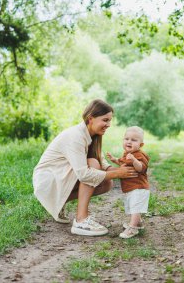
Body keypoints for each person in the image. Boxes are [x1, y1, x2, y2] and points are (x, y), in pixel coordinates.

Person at [33, 99, 138, 237]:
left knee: (107, 183)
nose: (108, 124)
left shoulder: (92, 136)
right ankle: (81, 220)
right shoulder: (75, 136)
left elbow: (104, 166)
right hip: (48, 182)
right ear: (91, 118)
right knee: (93, 165)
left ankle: (59, 204)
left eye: (110, 120)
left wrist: (127, 170)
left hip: (61, 178)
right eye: (105, 120)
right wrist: (118, 173)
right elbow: (84, 174)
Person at [107, 126, 150, 239]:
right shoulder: (126, 154)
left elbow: (141, 168)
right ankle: (138, 223)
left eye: (134, 140)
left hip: (139, 187)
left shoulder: (140, 155)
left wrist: (135, 161)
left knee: (135, 207)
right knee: (132, 207)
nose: (129, 142)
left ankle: (132, 228)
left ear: (140, 145)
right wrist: (114, 159)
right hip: (130, 187)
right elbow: (122, 162)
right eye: (127, 139)